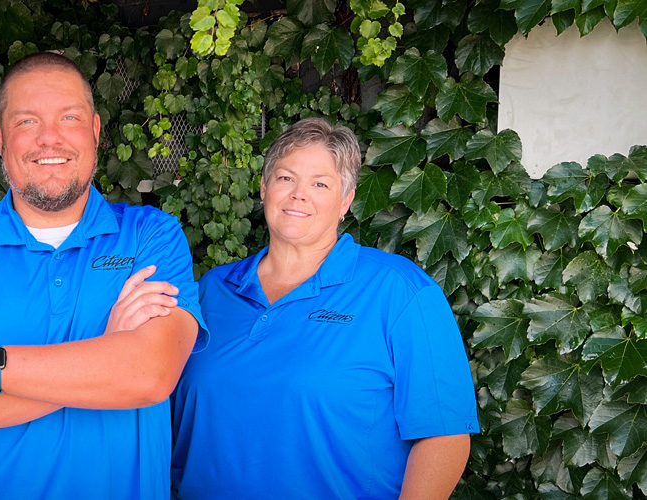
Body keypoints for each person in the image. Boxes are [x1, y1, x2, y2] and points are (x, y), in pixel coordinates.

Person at [0, 52, 206, 499]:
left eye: (69, 117)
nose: (50, 139)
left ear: (96, 131)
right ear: (1, 137)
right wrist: (109, 353)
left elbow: (150, 376)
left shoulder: (150, 236)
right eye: (27, 122)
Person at [170, 118, 480, 499]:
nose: (300, 194)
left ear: (345, 201)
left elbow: (444, 436)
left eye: (320, 183)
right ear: (264, 188)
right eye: (286, 178)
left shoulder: (399, 290)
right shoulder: (211, 291)